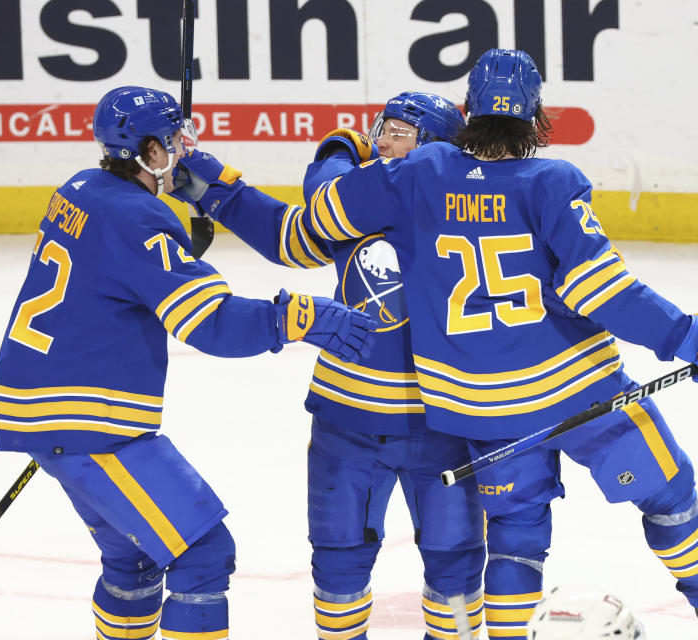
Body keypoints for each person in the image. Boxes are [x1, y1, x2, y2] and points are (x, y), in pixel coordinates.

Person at [175, 50, 698, 639]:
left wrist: (312, 159)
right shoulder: (554, 180)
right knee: (667, 490)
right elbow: (601, 288)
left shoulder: (413, 174)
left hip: (479, 409)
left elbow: (313, 219)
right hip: (578, 390)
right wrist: (689, 336)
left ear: (468, 114)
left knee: (516, 533)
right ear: (536, 116)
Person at [0, 85, 375, 640]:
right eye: (172, 140)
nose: (184, 147)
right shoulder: (140, 219)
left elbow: (115, 264)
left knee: (135, 560)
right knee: (203, 552)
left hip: (43, 401)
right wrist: (303, 317)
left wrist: (177, 225)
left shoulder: (79, 188)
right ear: (148, 152)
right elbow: (211, 322)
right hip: (90, 420)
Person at [172, 91, 488, 640]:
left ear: (433, 148)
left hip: (399, 423)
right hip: (423, 420)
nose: (378, 139)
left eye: (395, 132)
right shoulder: (455, 208)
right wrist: (199, 177)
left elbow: (313, 207)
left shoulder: (364, 197)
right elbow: (284, 234)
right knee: (390, 566)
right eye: (377, 127)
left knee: (432, 567)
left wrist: (335, 149)